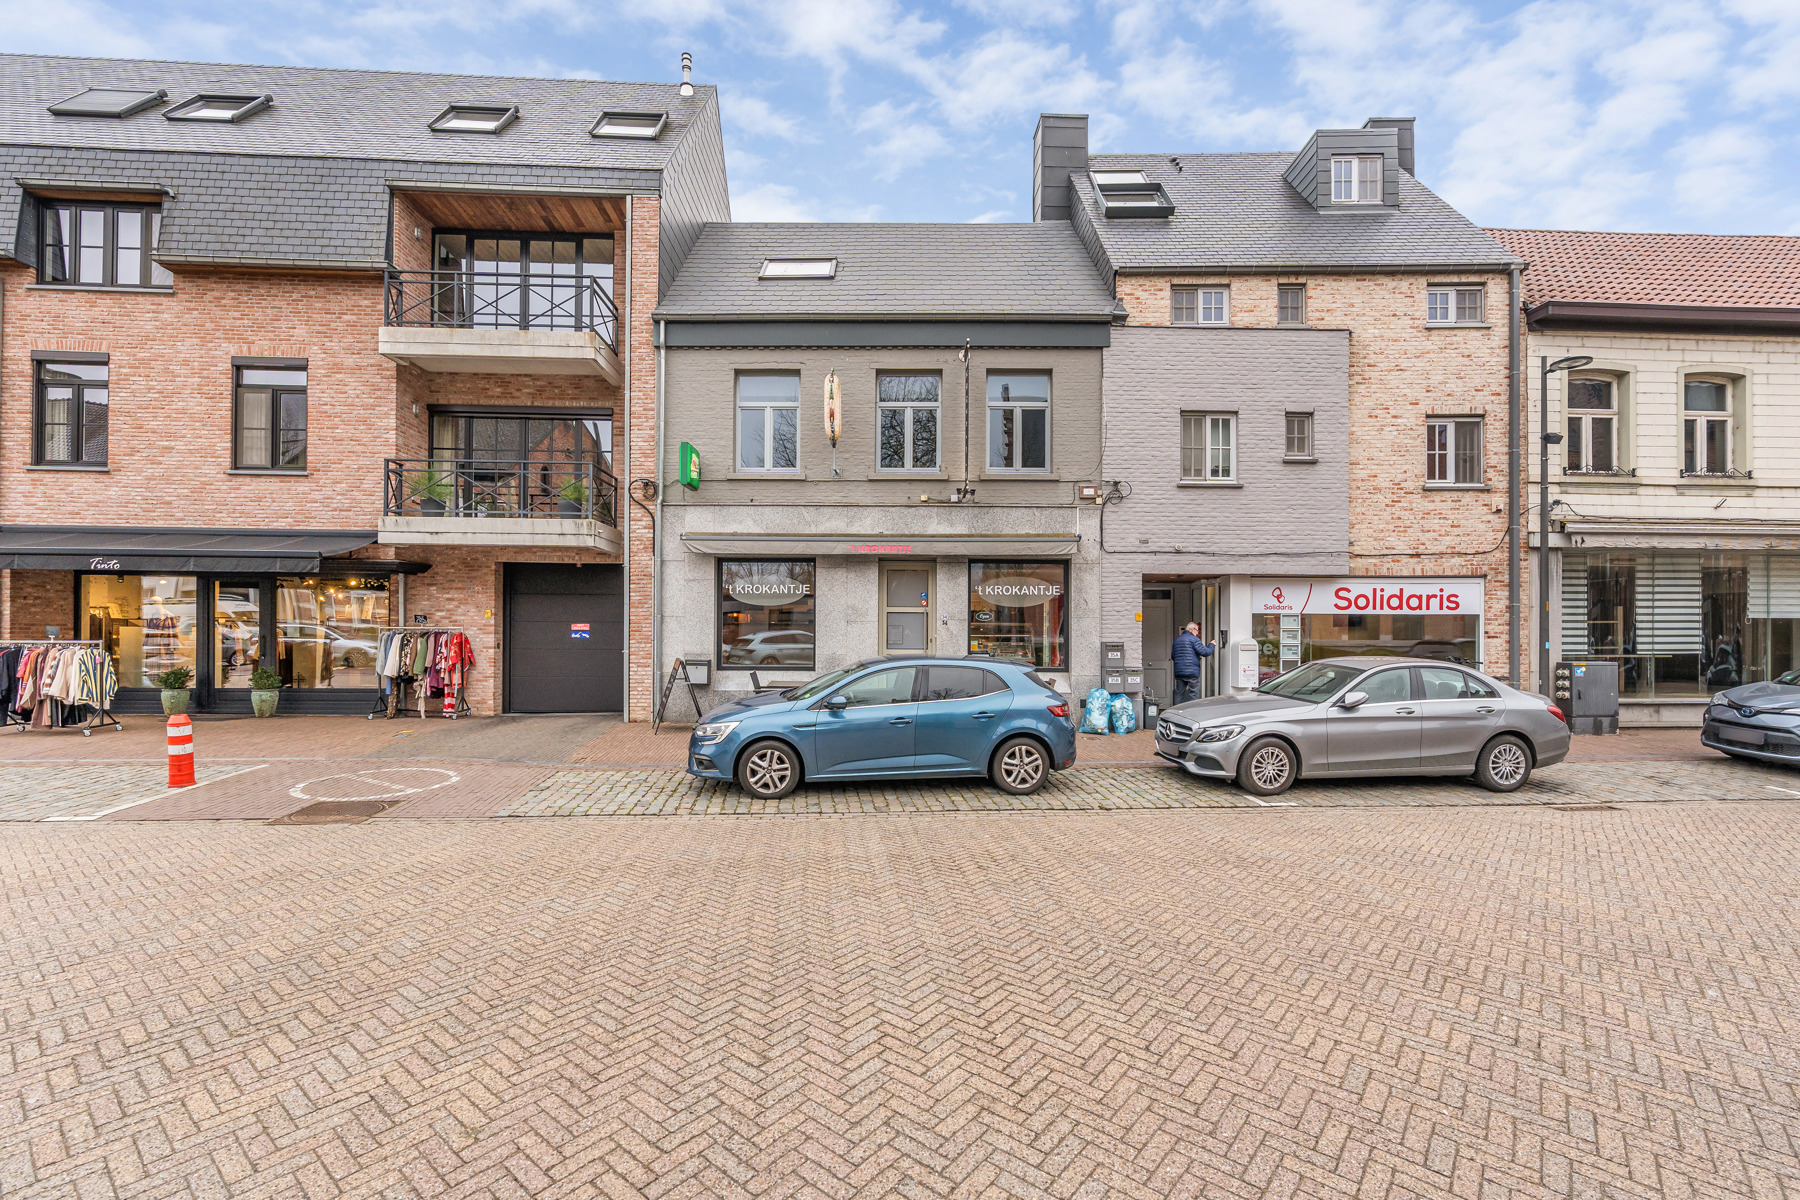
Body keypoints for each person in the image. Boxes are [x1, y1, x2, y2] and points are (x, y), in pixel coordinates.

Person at [1170, 622, 1215, 706]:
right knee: (1193, 694)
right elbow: (1205, 652)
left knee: (1179, 694)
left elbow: (1173, 656)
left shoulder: (1177, 640)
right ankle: (1192, 712)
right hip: (1192, 672)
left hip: (1179, 672)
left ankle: (1176, 711)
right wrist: (1211, 645)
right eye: (1197, 630)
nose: (1198, 633)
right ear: (1192, 629)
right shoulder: (1194, 639)